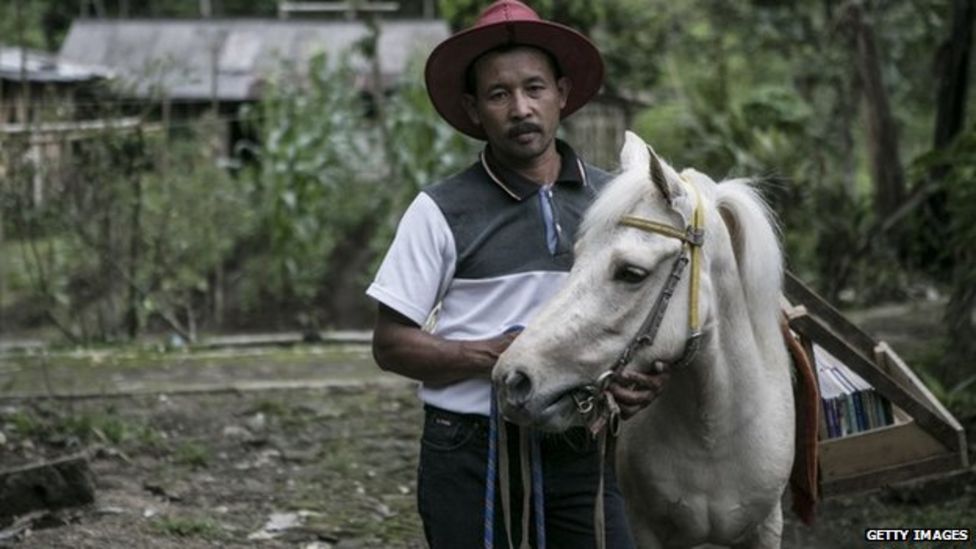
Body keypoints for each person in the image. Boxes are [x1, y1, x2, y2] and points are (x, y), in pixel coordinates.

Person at [366, 1, 669, 547]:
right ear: (474, 109)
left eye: (534, 88)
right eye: (498, 94)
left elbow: (649, 317)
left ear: (563, 94)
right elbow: (390, 345)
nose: (521, 108)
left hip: (582, 446)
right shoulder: (439, 210)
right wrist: (495, 356)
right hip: (469, 450)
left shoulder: (616, 202)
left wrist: (645, 379)